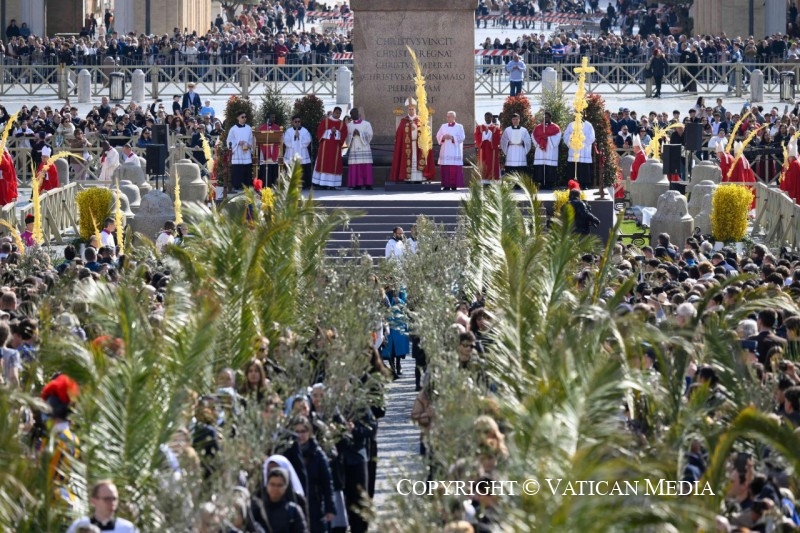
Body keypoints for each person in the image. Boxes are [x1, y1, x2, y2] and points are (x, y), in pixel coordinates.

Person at [40, 374, 83, 511]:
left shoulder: (57, 439)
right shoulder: (73, 437)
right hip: (66, 499)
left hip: (53, 504)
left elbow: (46, 478)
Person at [389, 97, 435, 183]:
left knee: (417, 159)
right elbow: (399, 134)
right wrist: (409, 129)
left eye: (412, 109)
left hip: (418, 145)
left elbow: (425, 133)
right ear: (407, 110)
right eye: (409, 109)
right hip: (407, 146)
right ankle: (408, 178)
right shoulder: (404, 121)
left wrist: (418, 129)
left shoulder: (420, 120)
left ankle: (419, 178)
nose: (411, 110)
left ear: (415, 109)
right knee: (409, 160)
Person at [248, 468, 309, 533]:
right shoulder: (257, 509)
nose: (275, 488)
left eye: (279, 485)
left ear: (285, 487)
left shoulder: (293, 511)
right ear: (267, 486)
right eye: (272, 484)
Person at [66, 479, 138, 533]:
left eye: (114, 499)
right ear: (94, 501)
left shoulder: (128, 528)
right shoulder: (80, 525)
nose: (112, 502)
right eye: (107, 499)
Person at [312, 107, 347, 190]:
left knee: (333, 164)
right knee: (324, 163)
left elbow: (344, 134)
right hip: (325, 147)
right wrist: (330, 131)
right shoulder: (325, 121)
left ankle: (332, 184)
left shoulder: (342, 124)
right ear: (333, 112)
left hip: (336, 148)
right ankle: (322, 183)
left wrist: (337, 132)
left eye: (339, 113)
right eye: (337, 113)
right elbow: (319, 131)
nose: (338, 115)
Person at [532, 111, 562, 189]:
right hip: (540, 150)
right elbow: (533, 136)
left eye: (547, 117)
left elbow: (558, 137)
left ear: (550, 118)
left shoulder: (555, 127)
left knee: (550, 166)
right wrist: (540, 142)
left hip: (550, 149)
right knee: (540, 167)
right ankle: (541, 183)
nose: (546, 119)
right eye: (544, 117)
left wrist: (548, 138)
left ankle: (550, 184)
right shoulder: (538, 127)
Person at [436, 111, 466, 191]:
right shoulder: (443, 126)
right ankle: (446, 185)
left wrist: (452, 138)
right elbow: (438, 136)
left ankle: (454, 185)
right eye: (447, 116)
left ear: (454, 117)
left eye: (450, 116)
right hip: (445, 150)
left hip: (454, 151)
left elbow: (462, 137)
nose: (448, 118)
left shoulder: (459, 126)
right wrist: (443, 137)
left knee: (454, 169)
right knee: (445, 168)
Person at [345, 108, 374, 190]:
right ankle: (357, 184)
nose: (352, 115)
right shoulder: (349, 125)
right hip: (354, 148)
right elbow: (346, 138)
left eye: (353, 113)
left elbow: (370, 135)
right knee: (355, 166)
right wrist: (352, 135)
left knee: (366, 166)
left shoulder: (366, 124)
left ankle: (368, 184)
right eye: (351, 114)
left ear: (358, 114)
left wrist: (360, 134)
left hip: (364, 147)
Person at [563, 119, 596, 189]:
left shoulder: (588, 125)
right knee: (572, 167)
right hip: (574, 149)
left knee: (584, 167)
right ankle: (572, 185)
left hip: (583, 150)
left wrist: (581, 139)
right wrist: (572, 138)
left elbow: (591, 137)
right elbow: (566, 135)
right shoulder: (571, 124)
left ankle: (584, 184)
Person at [283, 115, 313, 189]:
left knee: (303, 169)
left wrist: (299, 137)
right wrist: (295, 137)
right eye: (295, 122)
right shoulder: (288, 131)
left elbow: (308, 140)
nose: (297, 123)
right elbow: (286, 141)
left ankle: (304, 185)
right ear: (292, 122)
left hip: (302, 153)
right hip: (291, 153)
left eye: (299, 122)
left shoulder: (304, 131)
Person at [500, 113, 532, 179]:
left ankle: (520, 184)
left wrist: (523, 143)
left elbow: (528, 141)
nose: (515, 121)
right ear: (511, 120)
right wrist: (508, 142)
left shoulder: (524, 130)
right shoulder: (507, 130)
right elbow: (503, 140)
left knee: (521, 168)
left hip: (520, 151)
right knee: (511, 167)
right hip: (511, 151)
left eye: (516, 119)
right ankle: (511, 183)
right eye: (513, 119)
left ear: (519, 120)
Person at [227, 112, 254, 190]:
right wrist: (238, 142)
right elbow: (229, 140)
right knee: (238, 170)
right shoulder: (233, 129)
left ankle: (247, 185)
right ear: (238, 118)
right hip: (238, 151)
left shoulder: (249, 128)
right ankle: (237, 185)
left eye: (245, 117)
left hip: (246, 152)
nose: (244, 118)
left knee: (247, 169)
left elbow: (251, 139)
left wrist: (249, 145)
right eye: (242, 117)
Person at [474, 112, 502, 183]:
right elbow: (477, 137)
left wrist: (490, 134)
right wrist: (483, 135)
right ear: (484, 118)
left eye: (489, 117)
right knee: (483, 163)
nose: (487, 119)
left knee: (491, 163)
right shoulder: (480, 127)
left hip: (492, 150)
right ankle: (483, 180)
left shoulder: (496, 128)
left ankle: (493, 180)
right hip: (482, 149)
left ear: (491, 117)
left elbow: (497, 139)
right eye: (486, 117)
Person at [258, 112, 283, 188]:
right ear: (268, 118)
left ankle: (274, 185)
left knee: (274, 167)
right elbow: (258, 138)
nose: (274, 119)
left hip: (274, 149)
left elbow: (282, 138)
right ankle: (266, 184)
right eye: (272, 117)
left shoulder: (278, 128)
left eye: (274, 117)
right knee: (266, 167)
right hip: (265, 149)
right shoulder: (262, 128)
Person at [781, 137, 800, 202]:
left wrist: (786, 172)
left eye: (788, 149)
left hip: (794, 191)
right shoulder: (790, 162)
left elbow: (792, 180)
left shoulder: (795, 164)